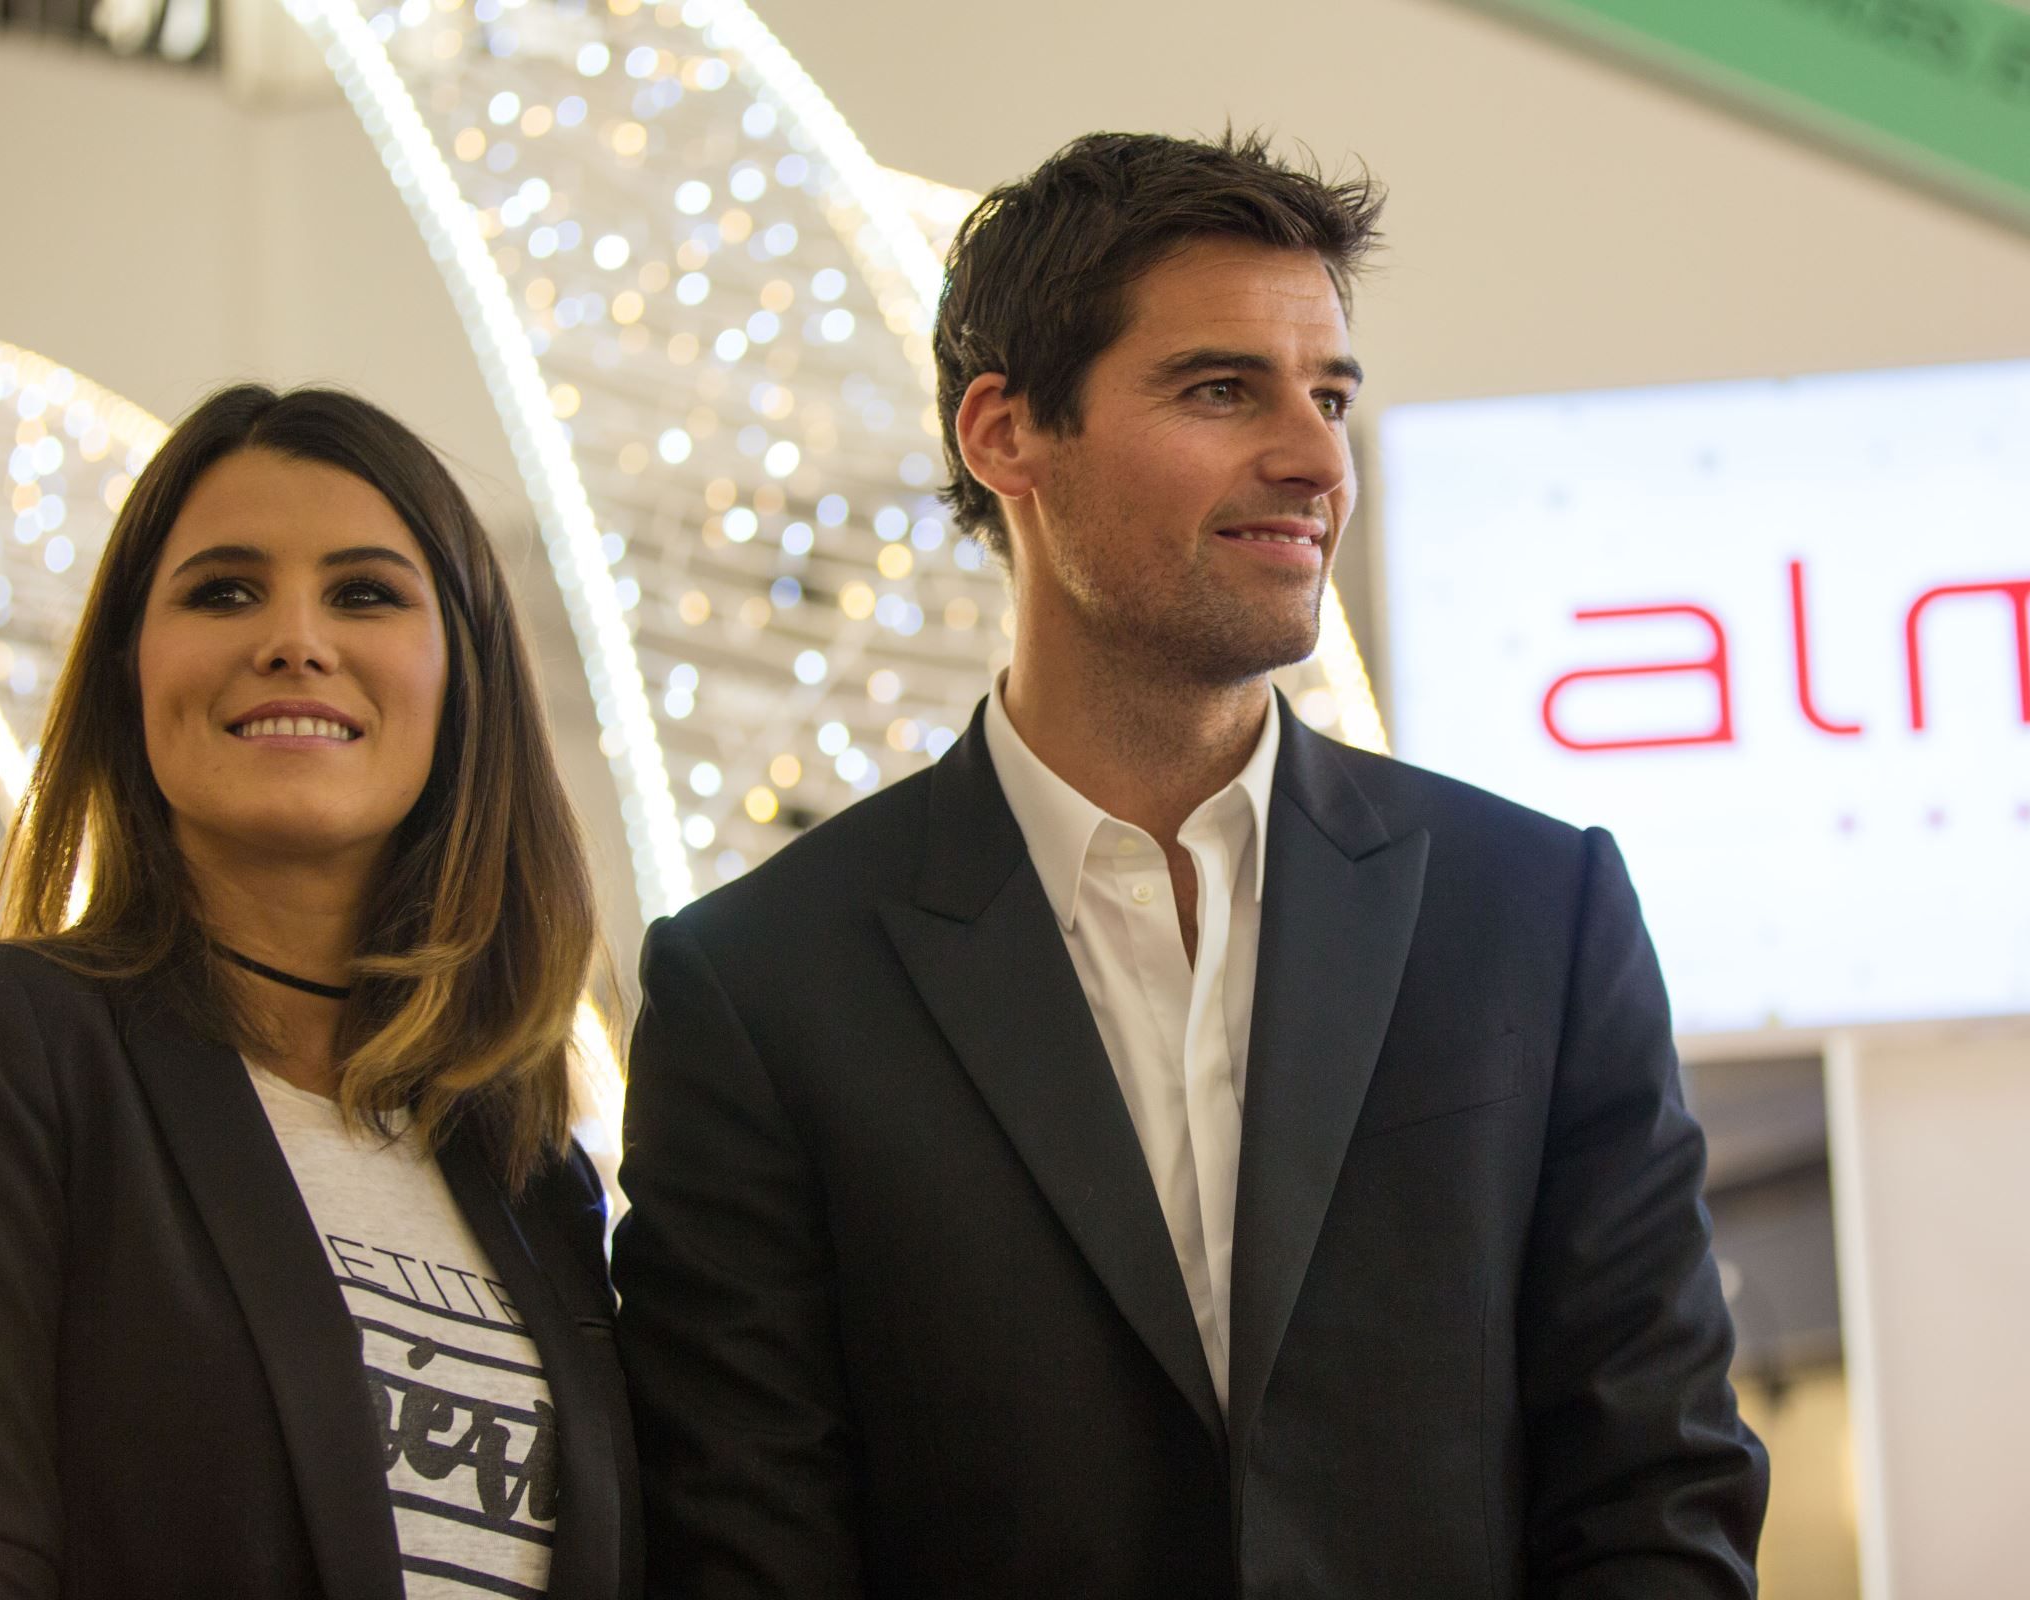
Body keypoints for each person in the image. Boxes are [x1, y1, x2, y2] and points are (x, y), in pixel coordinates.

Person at [614, 130, 1768, 1596]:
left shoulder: (1535, 915)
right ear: (1004, 434)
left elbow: (1659, 1485)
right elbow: (747, 1546)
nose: (1314, 458)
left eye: (1330, 394)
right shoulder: (762, 988)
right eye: (1223, 389)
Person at [0, 386, 643, 1600]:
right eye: (223, 590)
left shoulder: (530, 1167)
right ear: (131, 670)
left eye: (365, 593)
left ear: (459, 677)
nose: (295, 639)